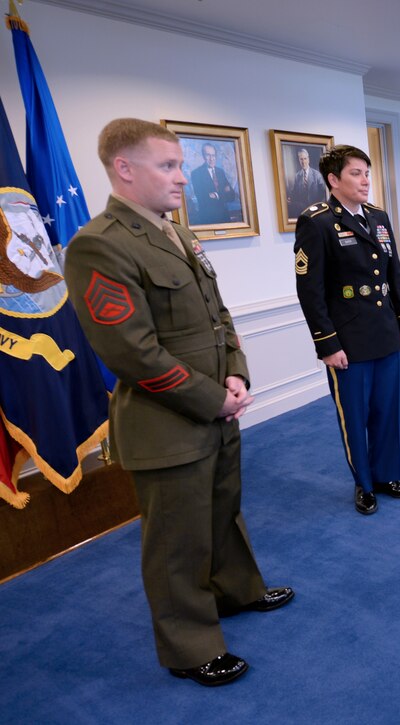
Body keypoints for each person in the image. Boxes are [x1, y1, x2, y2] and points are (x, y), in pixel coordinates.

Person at [64, 118, 293, 686]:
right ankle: (190, 647)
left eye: (180, 165)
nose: (182, 178)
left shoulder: (176, 234)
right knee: (176, 539)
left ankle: (236, 591)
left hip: (217, 408)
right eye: (168, 166)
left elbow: (219, 317)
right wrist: (213, 398)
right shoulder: (99, 245)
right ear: (124, 169)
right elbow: (134, 354)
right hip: (167, 423)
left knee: (221, 512)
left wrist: (235, 374)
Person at [293, 144, 400, 516]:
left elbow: (393, 273)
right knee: (355, 414)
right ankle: (364, 484)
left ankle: (386, 476)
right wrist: (327, 343)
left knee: (385, 410)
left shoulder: (378, 216)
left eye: (367, 173)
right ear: (333, 180)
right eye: (356, 174)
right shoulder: (317, 222)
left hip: (382, 331)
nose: (365, 181)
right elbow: (309, 290)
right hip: (347, 339)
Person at [188, 142, 237, 224]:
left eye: (213, 155)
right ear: (203, 156)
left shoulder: (220, 172)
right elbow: (203, 199)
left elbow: (232, 195)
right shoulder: (196, 174)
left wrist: (216, 195)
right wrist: (223, 193)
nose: (211, 159)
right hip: (208, 220)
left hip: (225, 218)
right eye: (208, 155)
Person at [287, 147, 325, 218]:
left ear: (308, 159)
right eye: (301, 159)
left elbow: (323, 194)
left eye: (305, 159)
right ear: (299, 160)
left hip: (316, 210)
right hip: (302, 211)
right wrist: (290, 198)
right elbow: (295, 192)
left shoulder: (317, 175)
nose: (303, 162)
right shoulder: (297, 176)